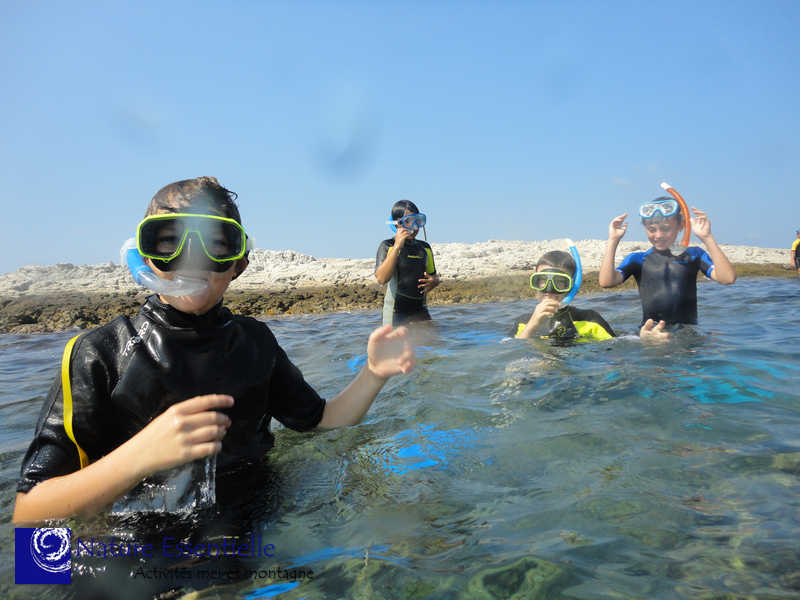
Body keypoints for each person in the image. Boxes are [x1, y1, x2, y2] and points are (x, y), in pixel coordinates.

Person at [13, 177, 415, 524]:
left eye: (215, 244)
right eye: (169, 241)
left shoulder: (255, 343)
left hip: (256, 534)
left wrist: (373, 374)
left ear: (238, 263)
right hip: (143, 547)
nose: (192, 260)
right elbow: (30, 514)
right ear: (145, 257)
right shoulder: (98, 354)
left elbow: (322, 420)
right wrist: (138, 457)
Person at [598, 197, 736, 326]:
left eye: (665, 229)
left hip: (688, 333)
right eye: (652, 230)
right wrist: (613, 240)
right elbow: (606, 282)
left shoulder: (694, 255)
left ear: (681, 225)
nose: (658, 235)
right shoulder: (638, 259)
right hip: (651, 332)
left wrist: (707, 237)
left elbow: (727, 278)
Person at [511, 250, 669, 342]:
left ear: (573, 286)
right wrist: (532, 326)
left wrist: (644, 340)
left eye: (560, 283)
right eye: (542, 281)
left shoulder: (590, 319)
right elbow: (511, 351)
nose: (549, 290)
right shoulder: (522, 323)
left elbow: (618, 347)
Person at [374, 199, 440, 327]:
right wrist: (397, 247)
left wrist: (435, 281)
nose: (414, 227)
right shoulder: (387, 246)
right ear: (397, 224)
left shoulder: (424, 248)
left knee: (433, 339)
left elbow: (433, 276)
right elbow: (381, 279)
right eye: (408, 221)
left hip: (420, 311)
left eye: (418, 221)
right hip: (395, 314)